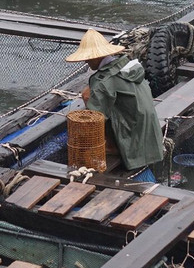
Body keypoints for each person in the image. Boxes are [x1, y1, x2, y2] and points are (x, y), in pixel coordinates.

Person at [65, 29, 164, 170]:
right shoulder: (127, 65)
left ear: (95, 57)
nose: (86, 61)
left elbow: (95, 119)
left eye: (87, 58)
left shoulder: (102, 82)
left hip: (133, 141)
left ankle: (112, 147)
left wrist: (88, 101)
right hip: (150, 131)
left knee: (93, 113)